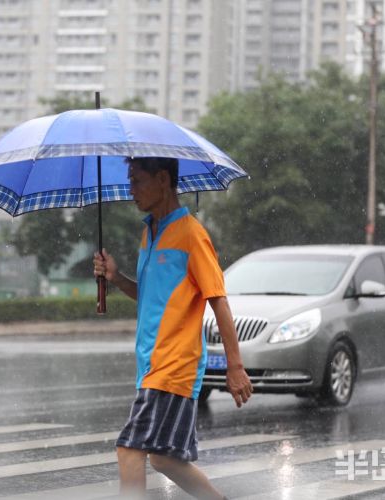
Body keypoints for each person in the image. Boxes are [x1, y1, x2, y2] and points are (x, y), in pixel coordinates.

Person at [93, 156, 253, 499]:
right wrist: (115, 277)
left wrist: (235, 366)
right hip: (151, 364)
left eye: (137, 180)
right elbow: (152, 294)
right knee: (165, 459)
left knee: (129, 450)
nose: (130, 189)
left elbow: (218, 299)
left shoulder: (192, 235)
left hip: (173, 364)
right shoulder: (149, 232)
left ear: (163, 180)